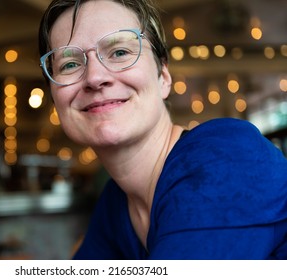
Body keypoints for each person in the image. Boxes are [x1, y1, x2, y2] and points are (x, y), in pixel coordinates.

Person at [37, 0, 287, 259]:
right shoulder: (116, 202)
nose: (95, 78)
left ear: (164, 78)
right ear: (55, 99)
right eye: (70, 64)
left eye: (120, 52)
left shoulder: (226, 157)